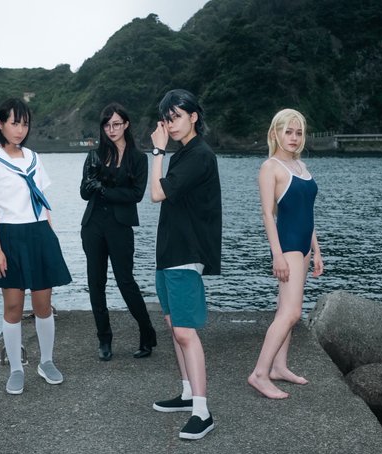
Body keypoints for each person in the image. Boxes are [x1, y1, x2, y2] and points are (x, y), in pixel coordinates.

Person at [0, 98, 72, 395]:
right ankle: (16, 368)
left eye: (25, 124)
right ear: (0, 123)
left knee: (43, 304)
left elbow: (42, 199)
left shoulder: (33, 157)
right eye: (14, 123)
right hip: (9, 236)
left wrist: (50, 236)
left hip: (39, 233)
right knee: (13, 306)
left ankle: (46, 361)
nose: (20, 130)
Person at [149, 89, 221, 440]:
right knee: (172, 323)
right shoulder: (184, 154)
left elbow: (156, 193)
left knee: (184, 331)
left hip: (186, 253)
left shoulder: (199, 155)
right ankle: (188, 392)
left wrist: (157, 152)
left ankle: (202, 412)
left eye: (176, 116)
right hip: (170, 251)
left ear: (194, 116)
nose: (171, 123)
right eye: (167, 118)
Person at [247, 108, 324, 399]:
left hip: (304, 246)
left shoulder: (301, 166)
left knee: (285, 309)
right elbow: (268, 214)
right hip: (288, 245)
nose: (294, 137)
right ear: (275, 133)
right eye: (288, 131)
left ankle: (279, 367)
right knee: (292, 313)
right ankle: (260, 373)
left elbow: (307, 212)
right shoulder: (271, 167)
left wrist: (316, 250)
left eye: (298, 132)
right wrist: (277, 255)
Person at [80, 103, 157, 361]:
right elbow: (84, 193)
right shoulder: (94, 155)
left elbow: (135, 195)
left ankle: (146, 331)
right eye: (106, 125)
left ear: (126, 124)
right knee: (95, 283)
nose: (111, 130)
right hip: (93, 225)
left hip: (120, 226)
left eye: (116, 124)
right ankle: (104, 339)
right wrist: (91, 178)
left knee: (125, 281)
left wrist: (103, 188)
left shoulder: (138, 158)